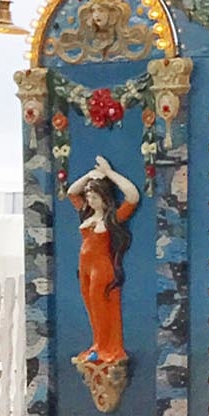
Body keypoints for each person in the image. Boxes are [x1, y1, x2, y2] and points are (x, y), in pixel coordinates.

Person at [65, 155, 140, 365]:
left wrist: (109, 174)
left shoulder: (112, 217)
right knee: (90, 306)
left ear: (104, 198)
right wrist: (90, 175)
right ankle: (98, 343)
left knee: (101, 305)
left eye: (95, 197)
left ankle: (106, 346)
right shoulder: (87, 215)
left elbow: (132, 196)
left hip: (101, 268)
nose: (90, 200)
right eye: (89, 196)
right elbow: (71, 192)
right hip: (85, 268)